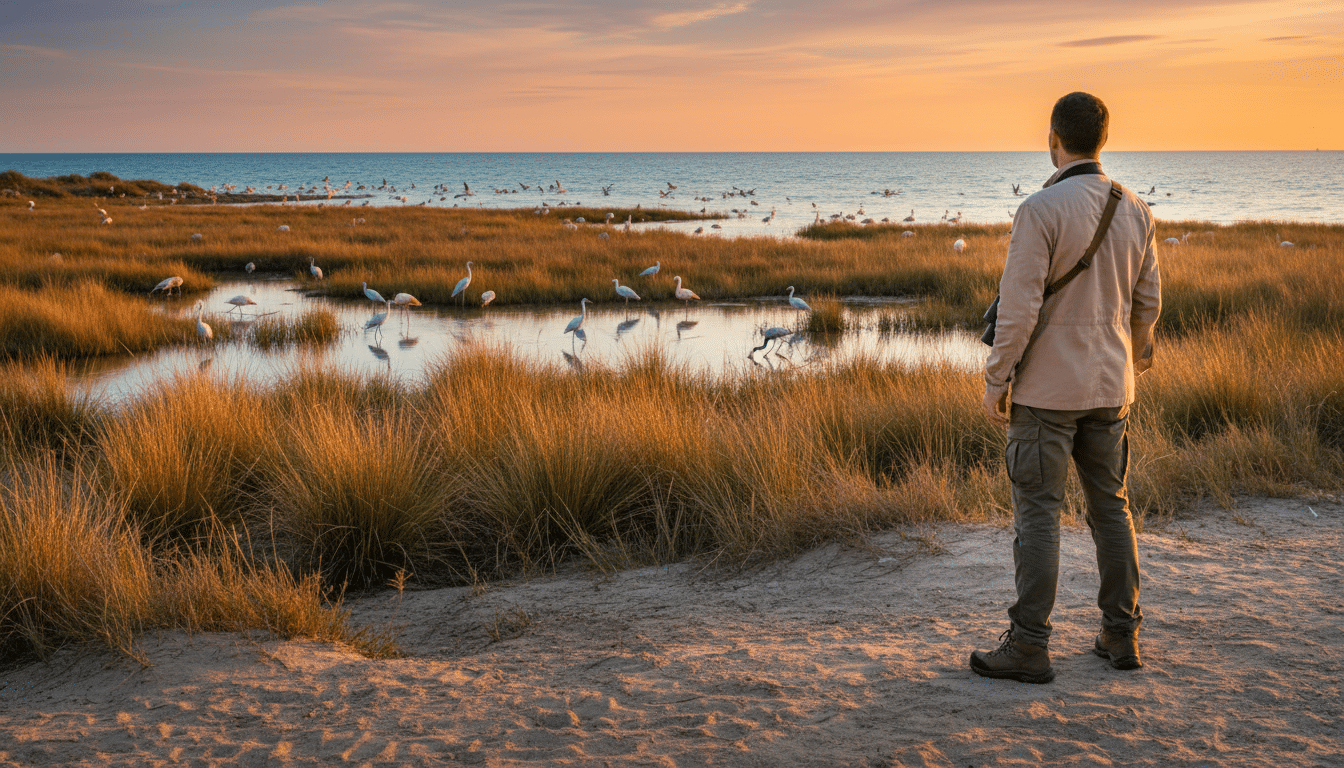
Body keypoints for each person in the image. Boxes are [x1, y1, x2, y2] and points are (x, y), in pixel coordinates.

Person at [971, 92, 1161, 684]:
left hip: (1047, 393)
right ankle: (1120, 636)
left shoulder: (1039, 209)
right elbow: (1147, 301)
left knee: (1039, 516)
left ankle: (1029, 646)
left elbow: (1020, 310)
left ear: (1053, 137)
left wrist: (996, 379)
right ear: (1103, 138)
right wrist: (1133, 356)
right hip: (1111, 386)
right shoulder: (1135, 208)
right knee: (1112, 509)